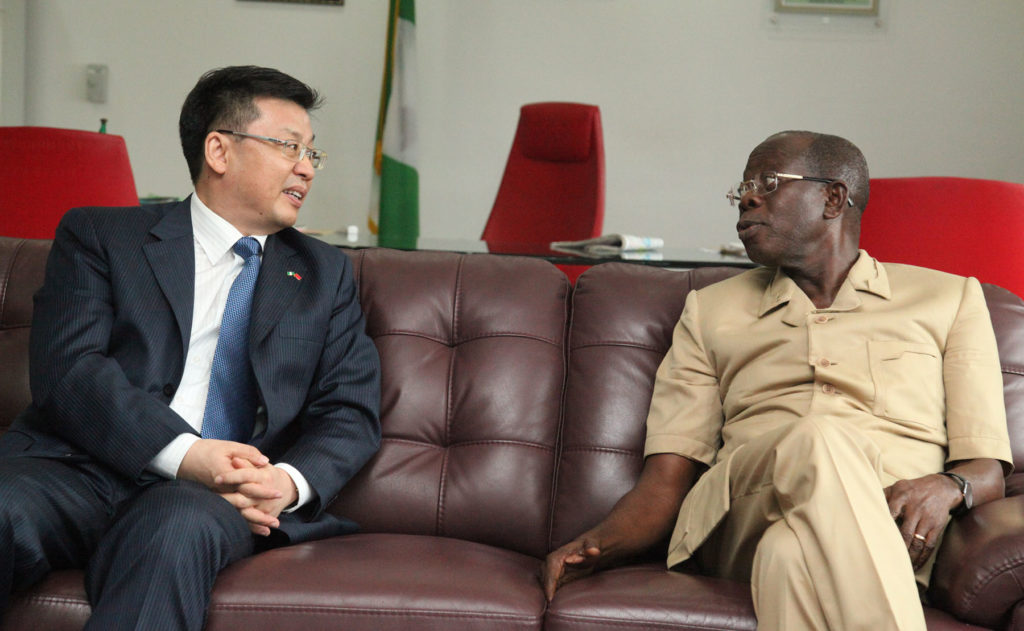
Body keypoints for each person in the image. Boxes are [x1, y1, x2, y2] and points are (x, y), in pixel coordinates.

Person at [542, 131, 1012, 630]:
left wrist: (948, 487)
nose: (746, 198)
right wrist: (597, 544)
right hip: (743, 512)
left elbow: (986, 468)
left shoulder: (949, 299)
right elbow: (666, 480)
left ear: (833, 197)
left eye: (768, 183)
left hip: (888, 531)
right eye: (742, 188)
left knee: (789, 556)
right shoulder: (710, 311)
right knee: (819, 436)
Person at [0, 66, 381, 630]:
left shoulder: (324, 275)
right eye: (288, 146)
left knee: (174, 535)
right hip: (76, 469)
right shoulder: (101, 237)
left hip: (210, 499)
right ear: (219, 151)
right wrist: (183, 452)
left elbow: (348, 411)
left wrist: (285, 482)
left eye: (311, 154)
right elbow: (71, 372)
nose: (306, 167)